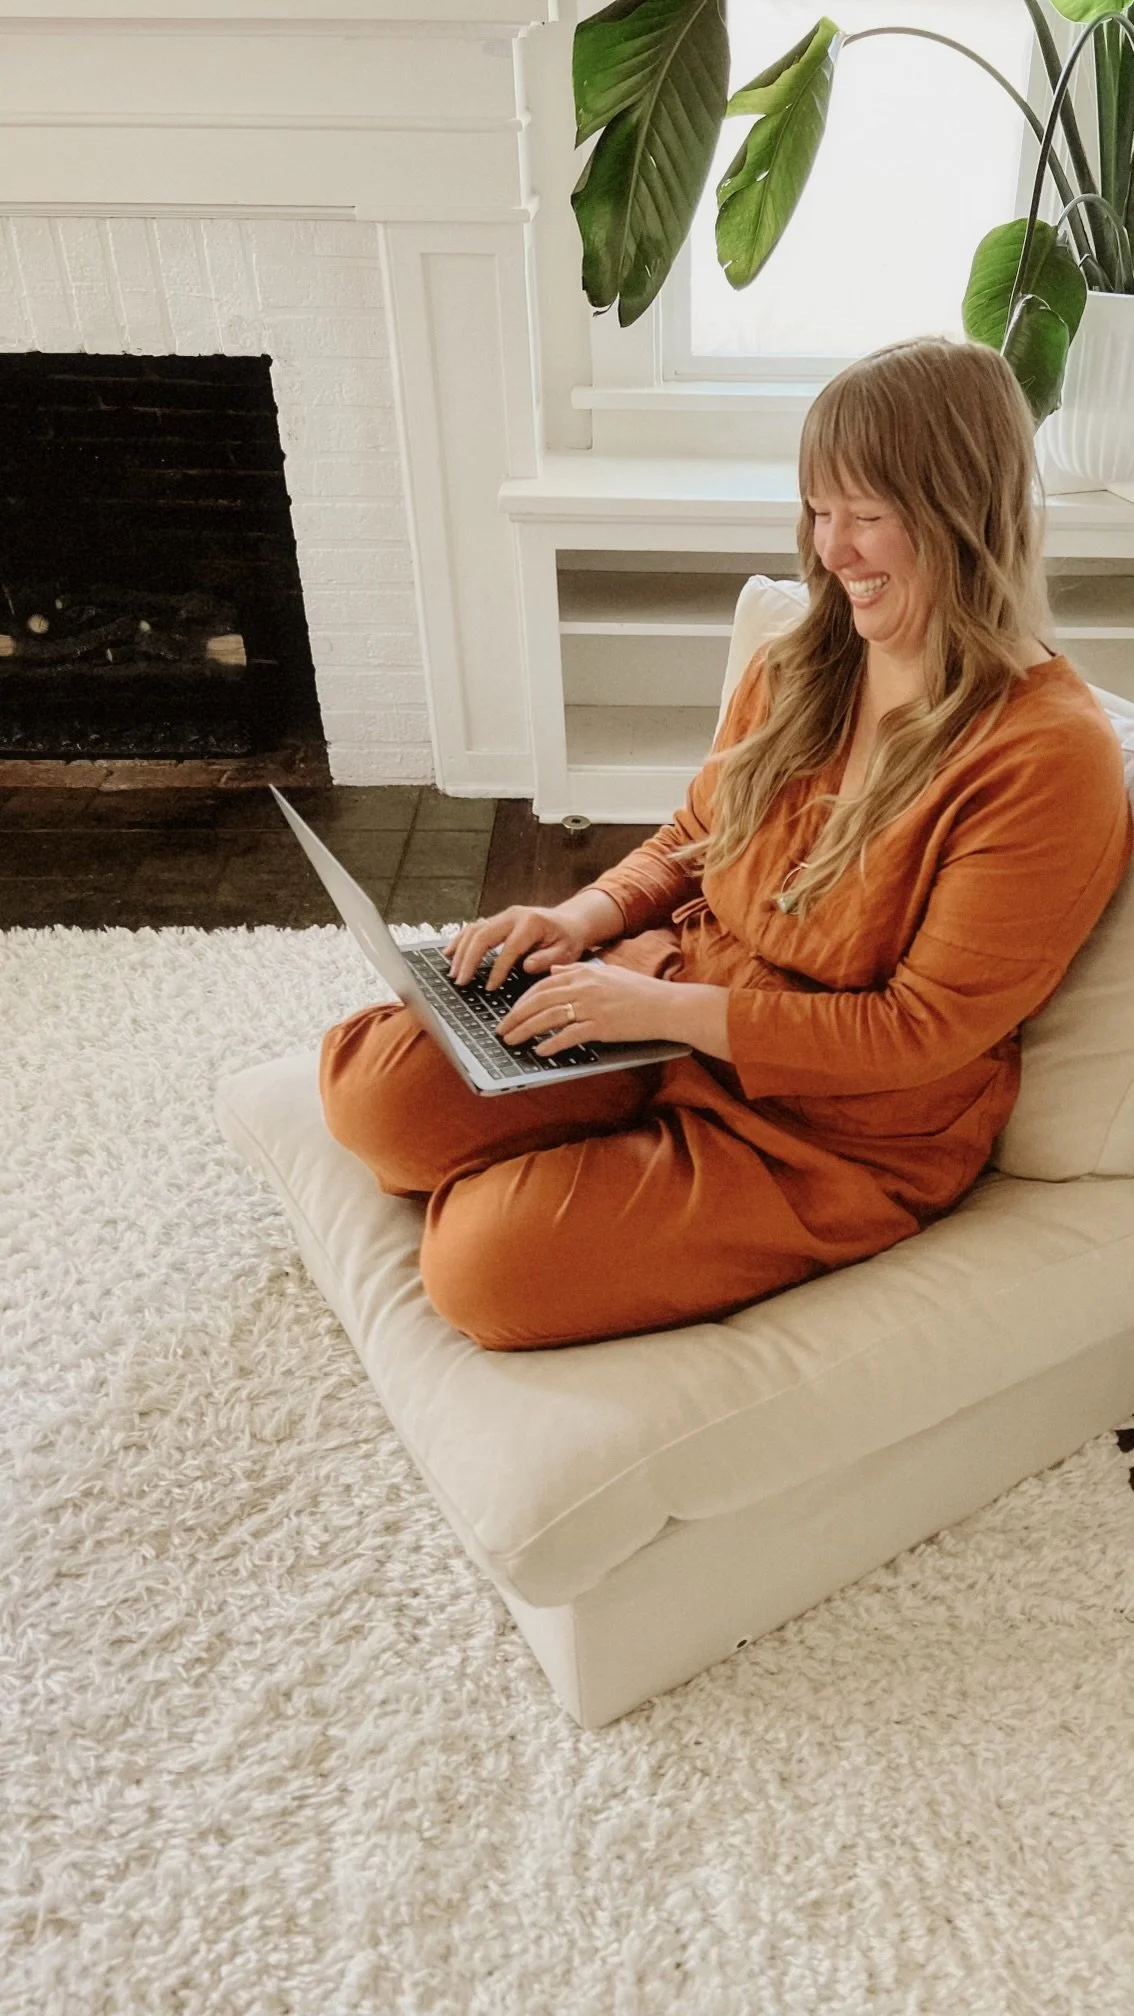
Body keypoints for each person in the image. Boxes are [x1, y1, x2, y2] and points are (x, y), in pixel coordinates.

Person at [319, 337, 1132, 1352]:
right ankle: (579, 1137)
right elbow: (701, 832)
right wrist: (582, 919)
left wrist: (660, 1010)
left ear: (963, 511)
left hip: (834, 1129)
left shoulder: (1048, 758)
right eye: (819, 511)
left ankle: (571, 1162)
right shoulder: (805, 662)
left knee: (481, 1269)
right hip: (671, 1002)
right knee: (373, 1090)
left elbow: (919, 1030)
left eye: (866, 515)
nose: (832, 552)